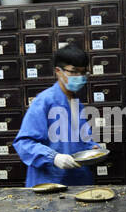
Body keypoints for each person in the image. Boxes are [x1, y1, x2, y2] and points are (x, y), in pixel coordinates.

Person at [13, 43, 99, 187]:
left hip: (77, 182)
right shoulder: (44, 102)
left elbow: (82, 140)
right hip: (50, 183)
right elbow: (24, 143)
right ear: (58, 71)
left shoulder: (76, 104)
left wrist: (93, 148)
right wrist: (54, 157)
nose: (80, 77)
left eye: (83, 72)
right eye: (74, 71)